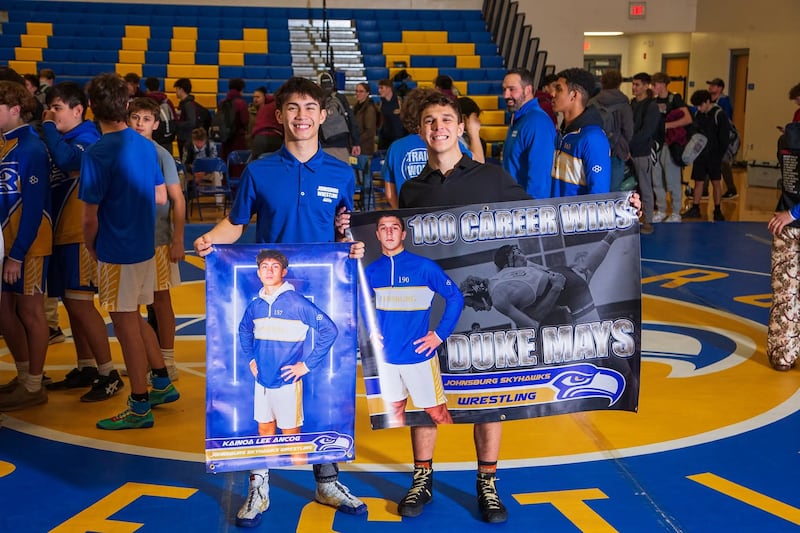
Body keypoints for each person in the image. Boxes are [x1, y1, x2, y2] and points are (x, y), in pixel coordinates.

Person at [193, 76, 367, 528]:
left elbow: (345, 230)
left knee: (324, 386)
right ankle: (259, 480)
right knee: (266, 388)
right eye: (293, 108)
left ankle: (326, 478)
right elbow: (234, 225)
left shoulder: (341, 172)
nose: (302, 116)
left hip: (320, 297)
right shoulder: (259, 170)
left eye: (310, 107)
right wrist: (210, 240)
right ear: (280, 115)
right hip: (270, 298)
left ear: (323, 115)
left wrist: (354, 243)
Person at [398, 92, 531, 524]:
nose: (438, 127)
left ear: (460, 127)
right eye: (430, 121)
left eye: (446, 119)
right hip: (430, 307)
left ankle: (487, 482)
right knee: (424, 392)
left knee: (488, 393)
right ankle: (422, 478)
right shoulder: (411, 188)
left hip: (482, 309)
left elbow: (546, 216)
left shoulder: (492, 178)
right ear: (420, 131)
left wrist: (618, 211)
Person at [78, 73, 178, 430]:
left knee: (125, 325)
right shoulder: (144, 146)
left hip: (116, 249)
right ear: (127, 105)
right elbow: (161, 196)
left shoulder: (97, 153)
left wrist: (92, 245)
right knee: (135, 317)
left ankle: (139, 404)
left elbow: (89, 217)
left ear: (91, 108)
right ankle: (161, 380)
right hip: (144, 245)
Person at [41, 81, 124, 402]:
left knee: (80, 303)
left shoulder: (87, 138)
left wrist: (47, 126)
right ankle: (87, 365)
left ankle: (108, 372)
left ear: (79, 110)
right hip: (61, 233)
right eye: (49, 108)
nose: (51, 114)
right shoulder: (63, 138)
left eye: (57, 108)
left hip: (79, 234)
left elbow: (67, 162)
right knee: (71, 305)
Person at [363, 214, 461, 432]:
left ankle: (456, 463)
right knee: (395, 409)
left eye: (394, 228)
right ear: (377, 234)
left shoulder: (424, 267)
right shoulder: (371, 271)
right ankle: (405, 458)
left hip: (419, 357)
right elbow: (361, 300)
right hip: (387, 357)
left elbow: (456, 297)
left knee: (437, 412)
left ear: (403, 234)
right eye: (384, 228)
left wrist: (439, 335)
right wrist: (371, 330)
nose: (389, 232)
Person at [240, 249, 338, 464]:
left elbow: (329, 330)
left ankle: (299, 476)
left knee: (292, 436)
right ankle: (272, 475)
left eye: (275, 266)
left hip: (286, 382)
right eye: (264, 266)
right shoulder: (256, 305)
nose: (269, 271)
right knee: (265, 429)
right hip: (262, 381)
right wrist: (251, 358)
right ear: (258, 272)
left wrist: (307, 365)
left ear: (284, 272)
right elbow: (244, 330)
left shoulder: (296, 302)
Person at [0, 80, 52, 411]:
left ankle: (34, 383)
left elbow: (34, 207)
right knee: (4, 312)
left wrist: (17, 254)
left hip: (27, 246)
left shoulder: (31, 148)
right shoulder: (4, 146)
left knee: (31, 312)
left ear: (15, 110)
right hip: (5, 245)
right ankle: (23, 376)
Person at [128, 97, 186, 381]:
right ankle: (143, 358)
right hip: (128, 240)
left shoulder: (161, 155)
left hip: (159, 240)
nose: (140, 123)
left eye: (145, 119)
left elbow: (177, 199)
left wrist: (178, 240)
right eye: (135, 117)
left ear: (156, 123)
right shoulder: (121, 150)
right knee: (131, 306)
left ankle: (167, 361)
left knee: (160, 302)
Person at [766, 124, 800, 371]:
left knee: (784, 293)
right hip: (788, 217)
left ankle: (783, 355)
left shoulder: (786, 137)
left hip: (784, 222)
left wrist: (790, 213)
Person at [551, 68, 612, 197]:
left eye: (559, 89)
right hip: (554, 215)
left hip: (576, 217)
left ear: (574, 95)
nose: (552, 94)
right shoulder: (562, 134)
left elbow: (598, 197)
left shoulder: (593, 138)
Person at [501, 68, 557, 200]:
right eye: (504, 89)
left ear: (528, 90)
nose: (506, 95)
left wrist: (532, 212)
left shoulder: (537, 122)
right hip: (513, 204)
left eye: (512, 89)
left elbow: (540, 177)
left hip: (526, 210)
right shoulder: (520, 118)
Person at [681, 90, 730, 221]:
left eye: (700, 105)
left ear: (708, 102)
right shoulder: (698, 114)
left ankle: (718, 210)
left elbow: (724, 138)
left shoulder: (719, 115)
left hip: (714, 155)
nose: (698, 108)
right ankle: (695, 207)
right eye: (696, 106)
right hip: (700, 154)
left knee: (716, 182)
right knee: (698, 182)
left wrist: (719, 155)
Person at [651, 72, 692, 222]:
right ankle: (661, 209)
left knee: (672, 178)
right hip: (656, 144)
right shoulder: (652, 102)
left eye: (654, 84)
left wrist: (667, 126)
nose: (653, 87)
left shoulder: (675, 98)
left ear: (662, 84)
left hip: (670, 144)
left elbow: (687, 118)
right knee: (657, 179)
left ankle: (676, 211)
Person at [589, 69, 634, 192]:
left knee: (596, 187)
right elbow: (628, 130)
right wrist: (625, 146)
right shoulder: (624, 104)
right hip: (617, 150)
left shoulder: (592, 102)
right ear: (619, 83)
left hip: (596, 149)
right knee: (614, 190)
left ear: (602, 82)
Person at [629, 72, 661, 234]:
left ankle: (648, 220)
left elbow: (647, 131)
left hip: (642, 152)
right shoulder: (632, 103)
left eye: (638, 85)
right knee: (630, 187)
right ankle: (630, 218)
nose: (634, 88)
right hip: (629, 151)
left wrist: (630, 144)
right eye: (633, 84)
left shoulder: (651, 106)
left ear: (646, 86)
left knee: (645, 186)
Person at [318, 71, 360, 163]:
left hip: (323, 144)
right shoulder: (340, 98)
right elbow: (351, 120)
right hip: (342, 144)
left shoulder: (317, 99)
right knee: (342, 173)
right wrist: (355, 142)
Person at [706, 78, 738, 200]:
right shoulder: (709, 100)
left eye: (713, 85)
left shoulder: (724, 102)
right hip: (712, 135)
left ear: (720, 88)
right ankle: (704, 189)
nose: (710, 88)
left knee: (723, 162)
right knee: (710, 161)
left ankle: (731, 188)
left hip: (723, 135)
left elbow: (727, 119)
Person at [217, 78, 250, 160]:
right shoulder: (241, 103)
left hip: (225, 139)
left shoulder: (222, 102)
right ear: (241, 89)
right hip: (238, 140)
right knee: (238, 166)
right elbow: (245, 120)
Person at [143, 76, 177, 153]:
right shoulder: (167, 101)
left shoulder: (146, 101)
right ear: (159, 88)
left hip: (153, 138)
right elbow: (174, 118)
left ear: (147, 89)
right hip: (168, 138)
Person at [250, 90, 283, 160]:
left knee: (255, 165)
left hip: (259, 138)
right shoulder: (279, 107)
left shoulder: (263, 108)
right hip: (276, 137)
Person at [173, 77, 199, 160]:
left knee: (186, 163)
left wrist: (177, 124)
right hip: (184, 137)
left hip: (186, 138)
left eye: (177, 89)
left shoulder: (188, 105)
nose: (176, 92)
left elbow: (191, 122)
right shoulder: (185, 104)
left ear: (181, 89)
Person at [377, 78, 405, 150]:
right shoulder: (381, 103)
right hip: (384, 138)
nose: (379, 90)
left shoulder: (399, 101)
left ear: (389, 88)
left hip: (398, 137)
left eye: (381, 88)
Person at [457, 96, 485, 163]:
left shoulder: (467, 138)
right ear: (464, 118)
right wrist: (474, 133)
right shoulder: (456, 141)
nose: (479, 122)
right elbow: (478, 164)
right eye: (475, 118)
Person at [353, 82, 378, 156]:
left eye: (361, 91)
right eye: (357, 91)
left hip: (364, 148)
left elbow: (370, 131)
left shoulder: (369, 109)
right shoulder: (356, 107)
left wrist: (356, 141)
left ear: (367, 93)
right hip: (358, 146)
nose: (358, 93)